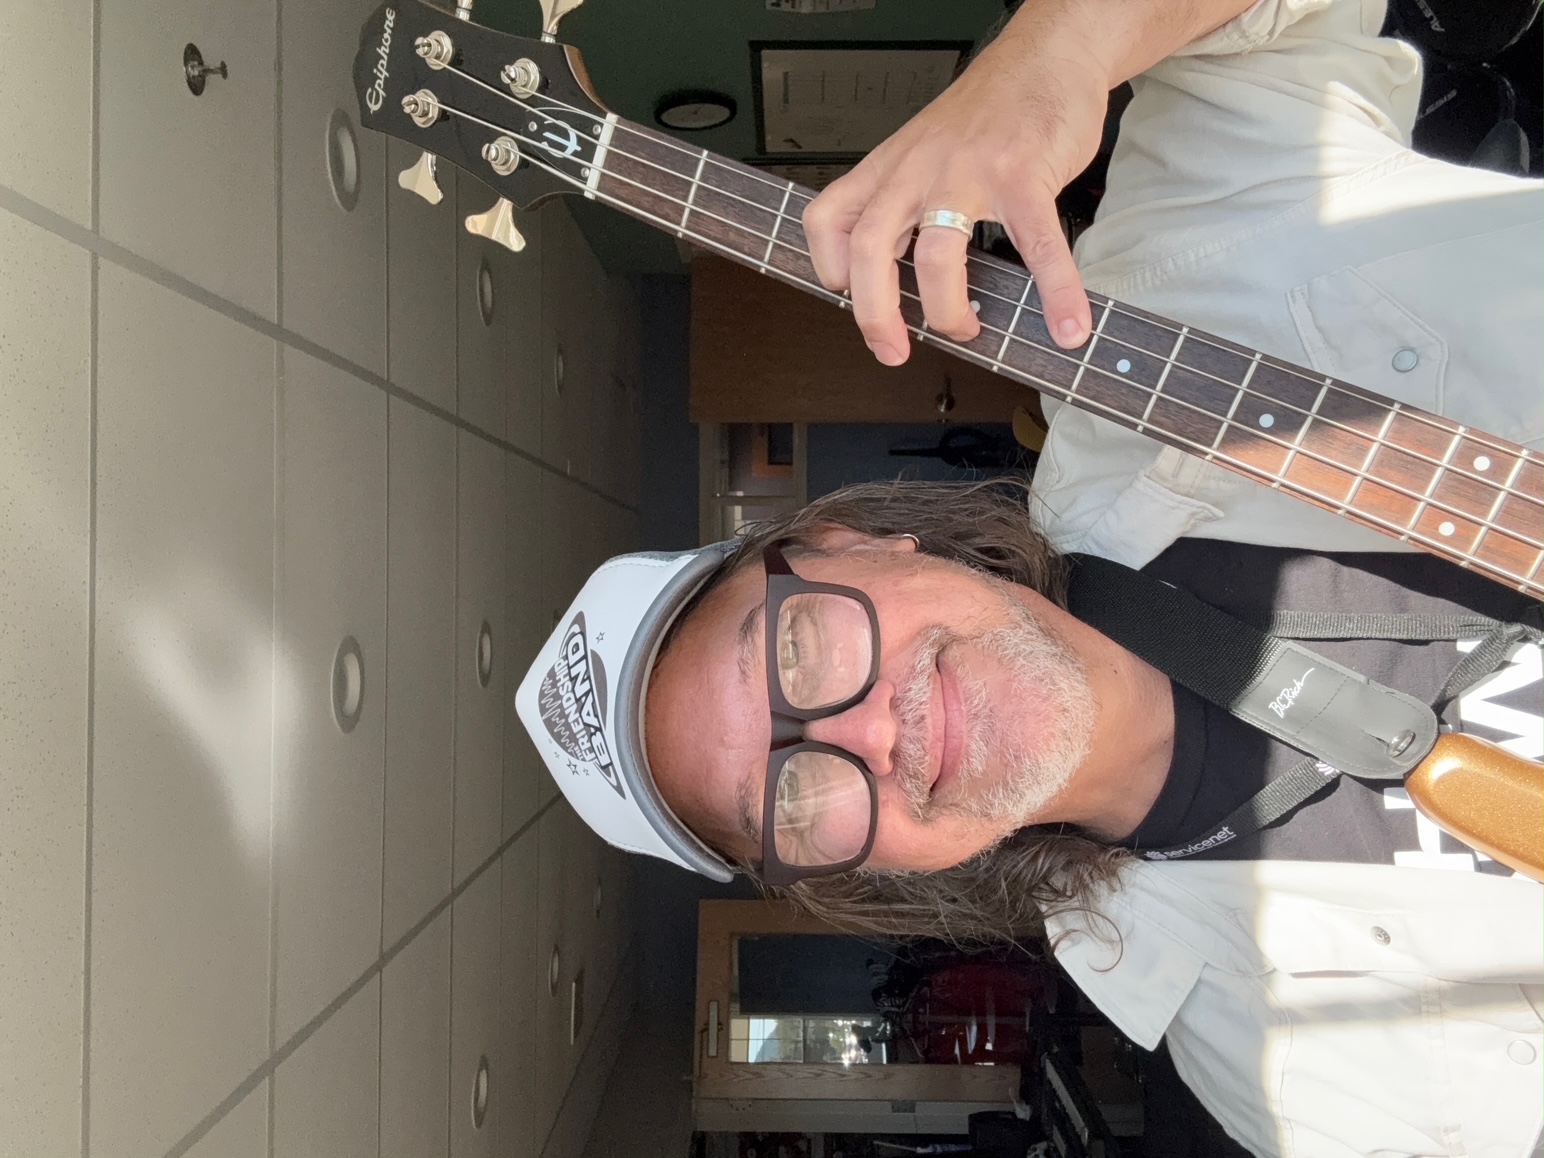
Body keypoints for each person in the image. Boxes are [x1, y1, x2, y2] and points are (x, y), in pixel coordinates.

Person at [516, 0, 1544, 1153]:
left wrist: (1057, 49)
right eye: (796, 798)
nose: (866, 733)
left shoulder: (1175, 289)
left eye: (799, 650)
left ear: (863, 542)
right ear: (873, 878)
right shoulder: (1291, 1083)